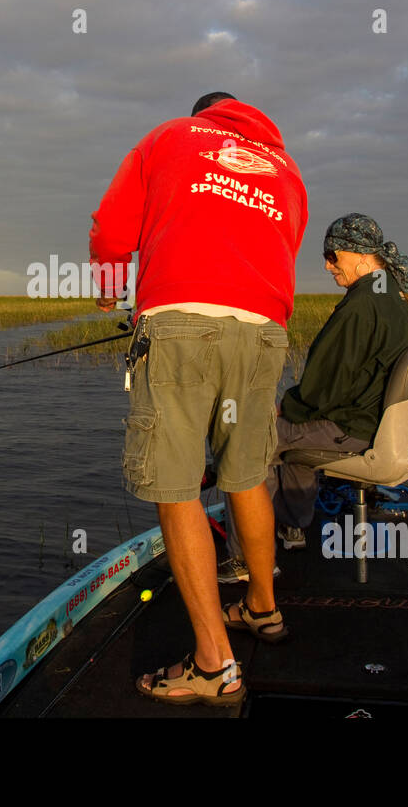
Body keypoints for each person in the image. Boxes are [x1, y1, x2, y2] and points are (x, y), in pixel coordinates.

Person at [89, 91, 307, 705]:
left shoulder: (169, 137)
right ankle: (263, 609)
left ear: (200, 116)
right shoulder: (287, 170)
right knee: (246, 475)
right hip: (265, 329)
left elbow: (111, 225)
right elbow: (281, 248)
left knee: (176, 484)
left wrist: (110, 290)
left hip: (182, 320)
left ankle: (215, 666)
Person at [218, 213, 408, 578]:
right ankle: (292, 526)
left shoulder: (361, 305)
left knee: (249, 443)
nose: (327, 264)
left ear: (361, 255)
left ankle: (245, 561)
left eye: (334, 255)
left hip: (355, 427)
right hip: (375, 424)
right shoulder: (391, 294)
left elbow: (323, 387)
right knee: (292, 448)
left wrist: (285, 408)